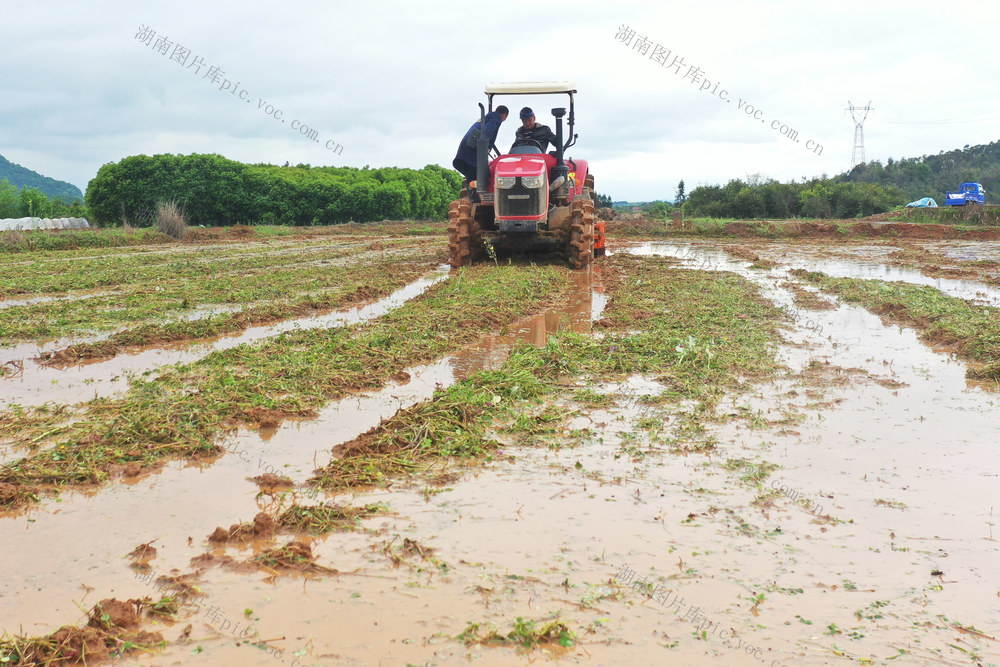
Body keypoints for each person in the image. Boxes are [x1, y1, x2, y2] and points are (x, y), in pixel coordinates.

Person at [452, 105, 508, 182]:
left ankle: (473, 190)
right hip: (472, 149)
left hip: (466, 147)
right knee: (486, 178)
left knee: (472, 177)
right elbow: (488, 132)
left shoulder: (487, 117)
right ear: (505, 115)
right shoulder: (496, 118)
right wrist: (485, 147)